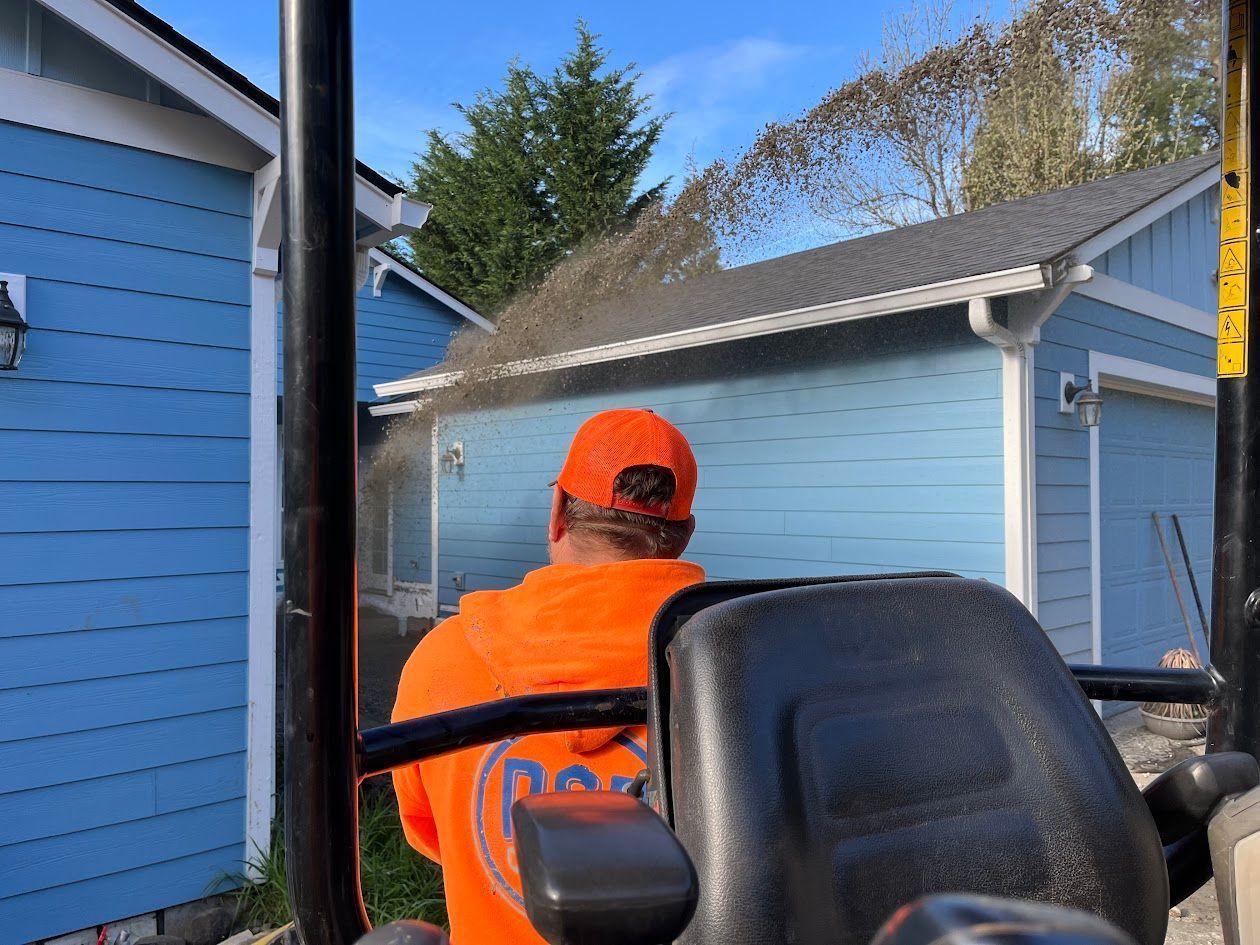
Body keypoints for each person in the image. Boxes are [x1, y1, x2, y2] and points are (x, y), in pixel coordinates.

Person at [391, 408, 704, 945]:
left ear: (557, 512)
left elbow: (433, 832)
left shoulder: (442, 659)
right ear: (684, 536)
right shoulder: (735, 668)